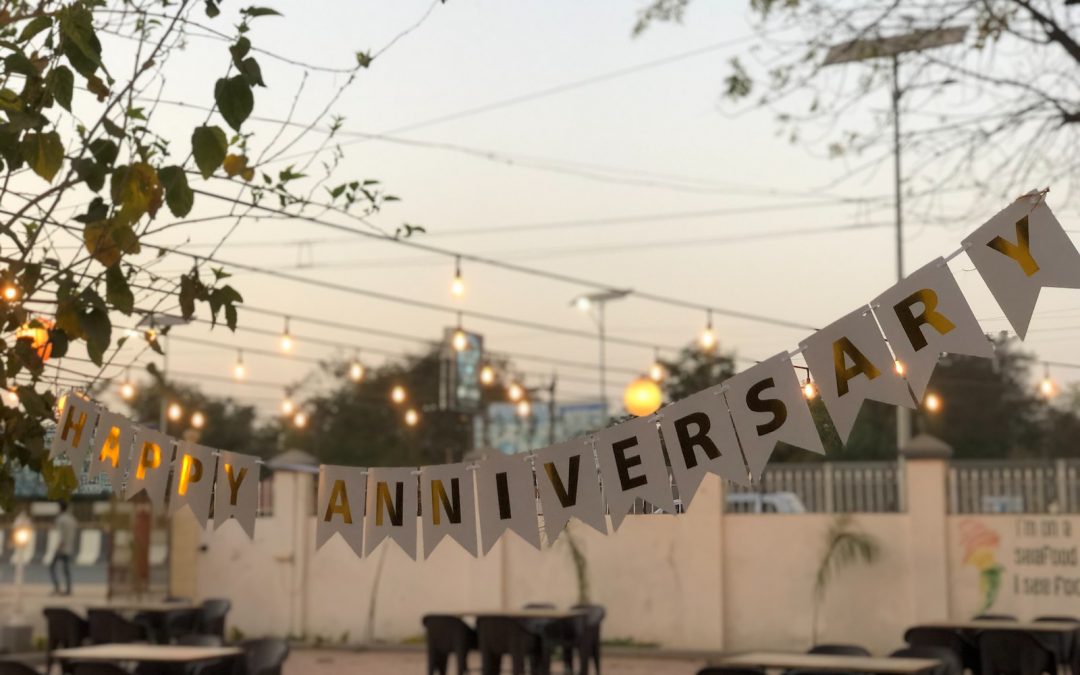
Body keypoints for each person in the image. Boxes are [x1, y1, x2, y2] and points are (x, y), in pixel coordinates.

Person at [50, 501, 78, 596]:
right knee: (66, 569)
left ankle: (57, 587)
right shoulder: (72, 519)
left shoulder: (60, 519)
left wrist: (58, 547)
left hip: (62, 547)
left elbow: (61, 535)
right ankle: (68, 589)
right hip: (69, 547)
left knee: (52, 567)